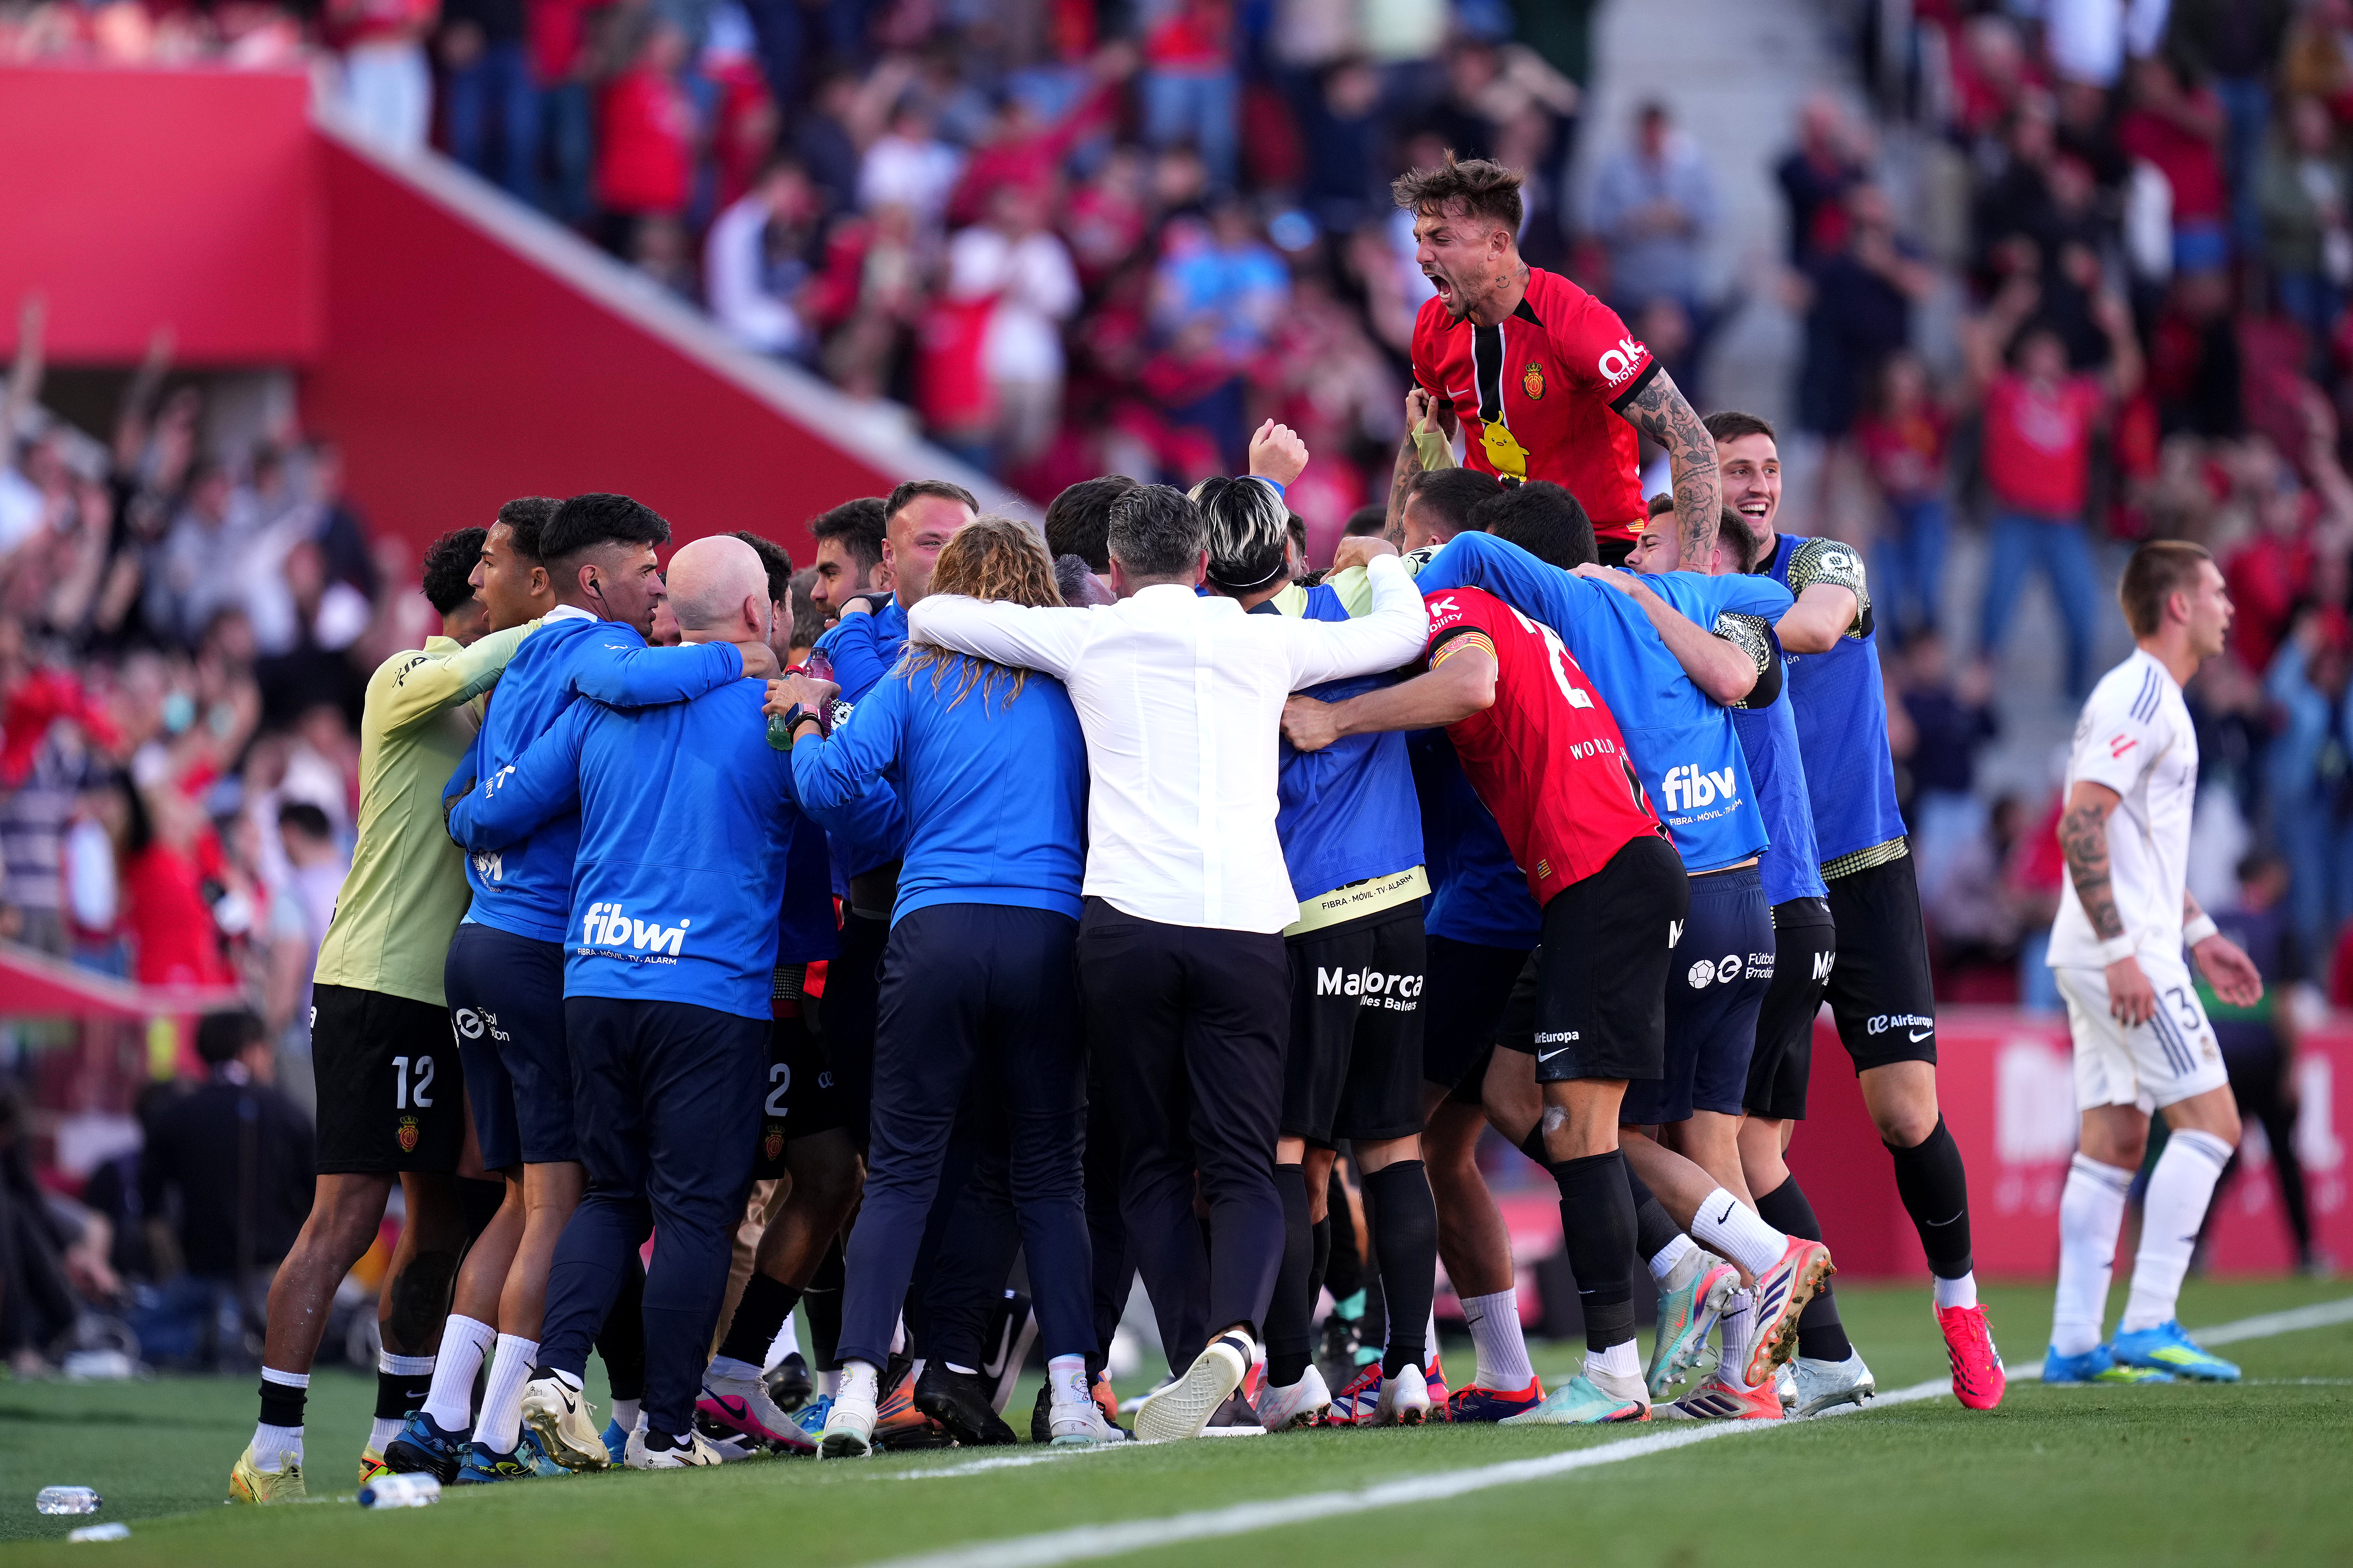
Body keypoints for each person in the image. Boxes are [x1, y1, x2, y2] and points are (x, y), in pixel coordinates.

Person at [905, 484, 1428, 1440]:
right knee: (1240, 1162)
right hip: (1243, 927)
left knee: (1147, 1159)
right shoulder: (1263, 638)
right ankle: (1235, 1340)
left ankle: (1207, 1370)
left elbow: (932, 612)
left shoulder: (1091, 636)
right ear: (1202, 565)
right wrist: (1376, 556)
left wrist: (1046, 612)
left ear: (1112, 568)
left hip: (1126, 929)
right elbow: (1403, 632)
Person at [1395, 509, 1833, 1423]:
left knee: (1586, 1126)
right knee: (1539, 1103)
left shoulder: (1507, 610)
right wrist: (1832, 583)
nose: (1631, 552)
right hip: (1716, 890)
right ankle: (1734, 1338)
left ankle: (1689, 1310)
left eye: (1649, 538)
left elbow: (1468, 567)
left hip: (1617, 883)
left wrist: (1388, 596)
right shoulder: (1663, 604)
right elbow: (1822, 609)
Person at [388, 495, 771, 1485]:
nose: (656, 582)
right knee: (575, 1199)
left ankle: (444, 1412)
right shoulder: (604, 662)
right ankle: (510, 1421)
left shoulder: (548, 667)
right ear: (587, 579)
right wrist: (759, 670)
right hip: (568, 958)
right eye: (646, 566)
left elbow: (483, 801)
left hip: (513, 949)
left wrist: (472, 824)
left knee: (536, 1197)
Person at [776, 516, 1117, 1454]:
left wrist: (809, 714)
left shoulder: (916, 675)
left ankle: (852, 1393)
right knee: (1051, 1176)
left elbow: (832, 788)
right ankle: (1077, 1397)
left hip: (935, 930)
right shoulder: (1076, 680)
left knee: (904, 1171)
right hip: (1049, 931)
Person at [1708, 409, 2006, 1412]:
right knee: (1752, 1150)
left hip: (1866, 867)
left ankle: (1961, 1307)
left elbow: (1819, 626)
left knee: (1905, 1111)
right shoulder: (1686, 580)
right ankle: (1832, 1355)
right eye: (1736, 469)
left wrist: (1693, 617)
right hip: (1770, 881)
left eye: (1768, 467)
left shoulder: (1821, 559)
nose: (1757, 483)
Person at [1188, 461, 1442, 1431]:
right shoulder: (1358, 601)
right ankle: (1411, 1367)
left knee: (1293, 1156)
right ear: (1294, 544)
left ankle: (1295, 1377)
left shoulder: (1214, 643)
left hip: (1301, 916)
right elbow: (1387, 561)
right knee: (1394, 1148)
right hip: (1402, 902)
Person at [1624, 497, 1869, 1418]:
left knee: (1671, 1136)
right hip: (1778, 899)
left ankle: (1767, 1336)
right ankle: (1787, 1358)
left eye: (1648, 539)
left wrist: (1639, 593)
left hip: (1747, 894)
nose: (1758, 483)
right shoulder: (1730, 615)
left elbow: (1799, 626)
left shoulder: (1729, 617)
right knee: (1728, 1142)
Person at [2045, 541, 2262, 1386]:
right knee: (2212, 1126)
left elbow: (2135, 845)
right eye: (2215, 590)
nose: (2227, 606)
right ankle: (2149, 1321)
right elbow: (2079, 824)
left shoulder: (2149, 697)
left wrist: (2201, 931)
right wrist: (2121, 952)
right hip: (2119, 953)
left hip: (2109, 946)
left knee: (2114, 1138)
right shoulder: (2142, 695)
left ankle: (2071, 1342)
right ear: (2176, 605)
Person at [1385, 155, 1720, 571]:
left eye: (1440, 239)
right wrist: (1392, 563)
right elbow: (1420, 446)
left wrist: (1695, 584)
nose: (1421, 255)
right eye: (1419, 238)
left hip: (1598, 556)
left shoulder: (1578, 324)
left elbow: (1692, 439)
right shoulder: (1432, 326)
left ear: (1497, 245)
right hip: (1496, 549)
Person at [1965, 277, 2143, 699]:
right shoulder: (2008, 392)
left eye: (2052, 352)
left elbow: (2127, 381)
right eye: (2038, 351)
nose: (2046, 358)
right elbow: (1978, 354)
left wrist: (2119, 329)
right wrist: (2008, 309)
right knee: (1994, 611)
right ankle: (1980, 691)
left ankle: (2075, 697)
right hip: (2016, 518)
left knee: (2083, 615)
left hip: (2064, 522)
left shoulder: (2077, 396)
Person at [146, 1012, 313, 1381]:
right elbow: (318, 1195)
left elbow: (150, 1205)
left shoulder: (176, 1114)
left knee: (144, 1329)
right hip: (272, 1281)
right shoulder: (287, 1111)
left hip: (196, 1277)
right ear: (251, 1052)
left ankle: (200, 1340)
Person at [2199, 852, 2324, 1274]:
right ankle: (2307, 1252)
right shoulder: (2279, 927)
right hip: (2265, 1057)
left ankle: (2193, 1250)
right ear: (2266, 876)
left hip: (2217, 1058)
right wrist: (2293, 1067)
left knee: (2217, 1156)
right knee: (2284, 1157)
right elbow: (2285, 1003)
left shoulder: (2210, 923)